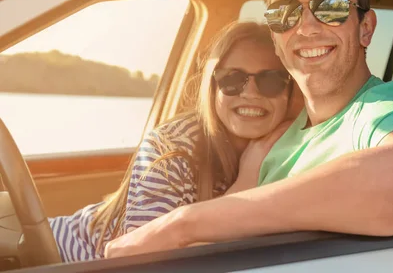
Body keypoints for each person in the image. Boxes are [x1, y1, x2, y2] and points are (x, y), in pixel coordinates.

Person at [104, 0, 393, 258]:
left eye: (330, 6)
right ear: (276, 38)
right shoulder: (279, 136)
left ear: (365, 27)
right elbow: (217, 246)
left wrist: (181, 223)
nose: (307, 27)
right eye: (284, 13)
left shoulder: (384, 106)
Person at [49, 21, 299, 262]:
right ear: (211, 86)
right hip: (56, 252)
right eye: (232, 79)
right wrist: (243, 188)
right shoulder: (168, 148)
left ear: (290, 89)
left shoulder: (297, 148)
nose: (251, 93)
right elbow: (145, 260)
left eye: (270, 80)